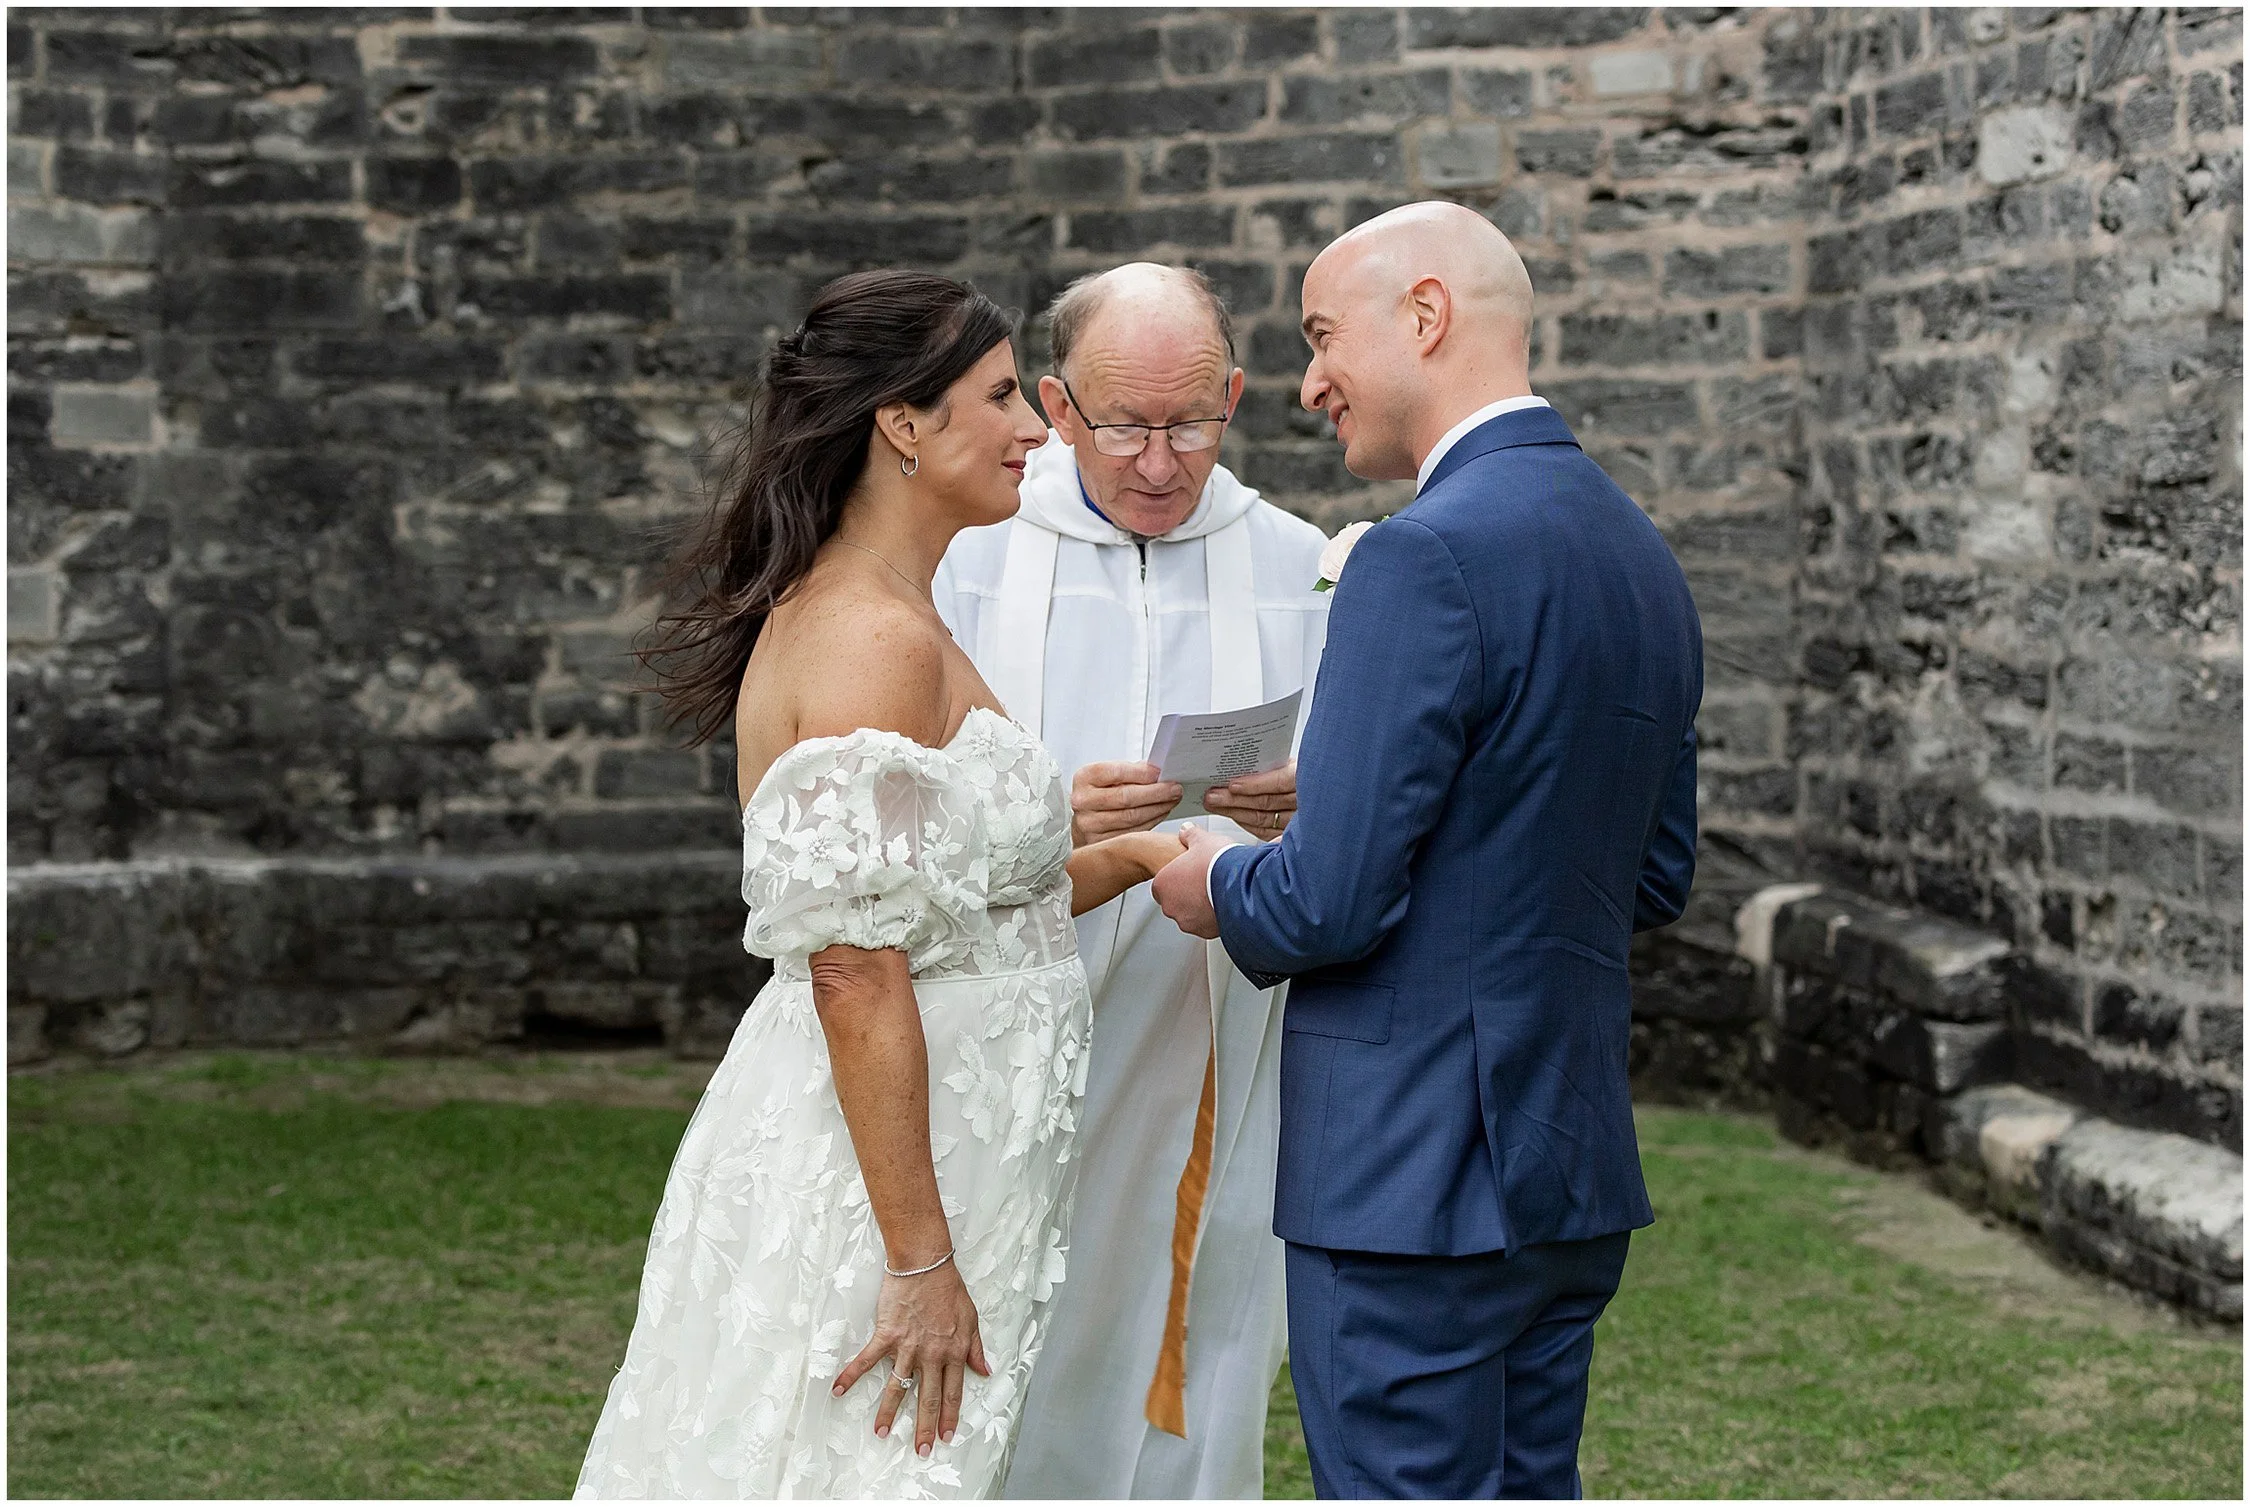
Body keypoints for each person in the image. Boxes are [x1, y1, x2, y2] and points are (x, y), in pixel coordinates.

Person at [576, 270, 1186, 1500]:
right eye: (1002, 396)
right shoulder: (873, 638)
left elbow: (954, 912)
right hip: (887, 1185)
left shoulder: (901, 610)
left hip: (962, 1152)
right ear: (902, 423)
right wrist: (917, 1262)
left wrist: (1139, 855)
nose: (1035, 429)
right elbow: (854, 965)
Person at [1152, 202, 1703, 1498]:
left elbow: (1324, 906)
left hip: (1404, 1182)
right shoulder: (1641, 555)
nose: (1308, 383)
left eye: (1321, 335)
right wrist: (1374, 799)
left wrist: (1213, 876)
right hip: (1565, 1165)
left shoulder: (1420, 556)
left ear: (1426, 314)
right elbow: (1651, 870)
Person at [932, 263, 1330, 1499]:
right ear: (1057, 406)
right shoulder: (967, 555)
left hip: (1210, 1017)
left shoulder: (1299, 564)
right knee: (1009, 1297)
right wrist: (1046, 818)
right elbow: (886, 800)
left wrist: (1307, 799)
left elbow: (1374, 794)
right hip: (1013, 1010)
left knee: (1196, 1300)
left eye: (1192, 423)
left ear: (1235, 398)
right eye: (1123, 428)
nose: (1160, 464)